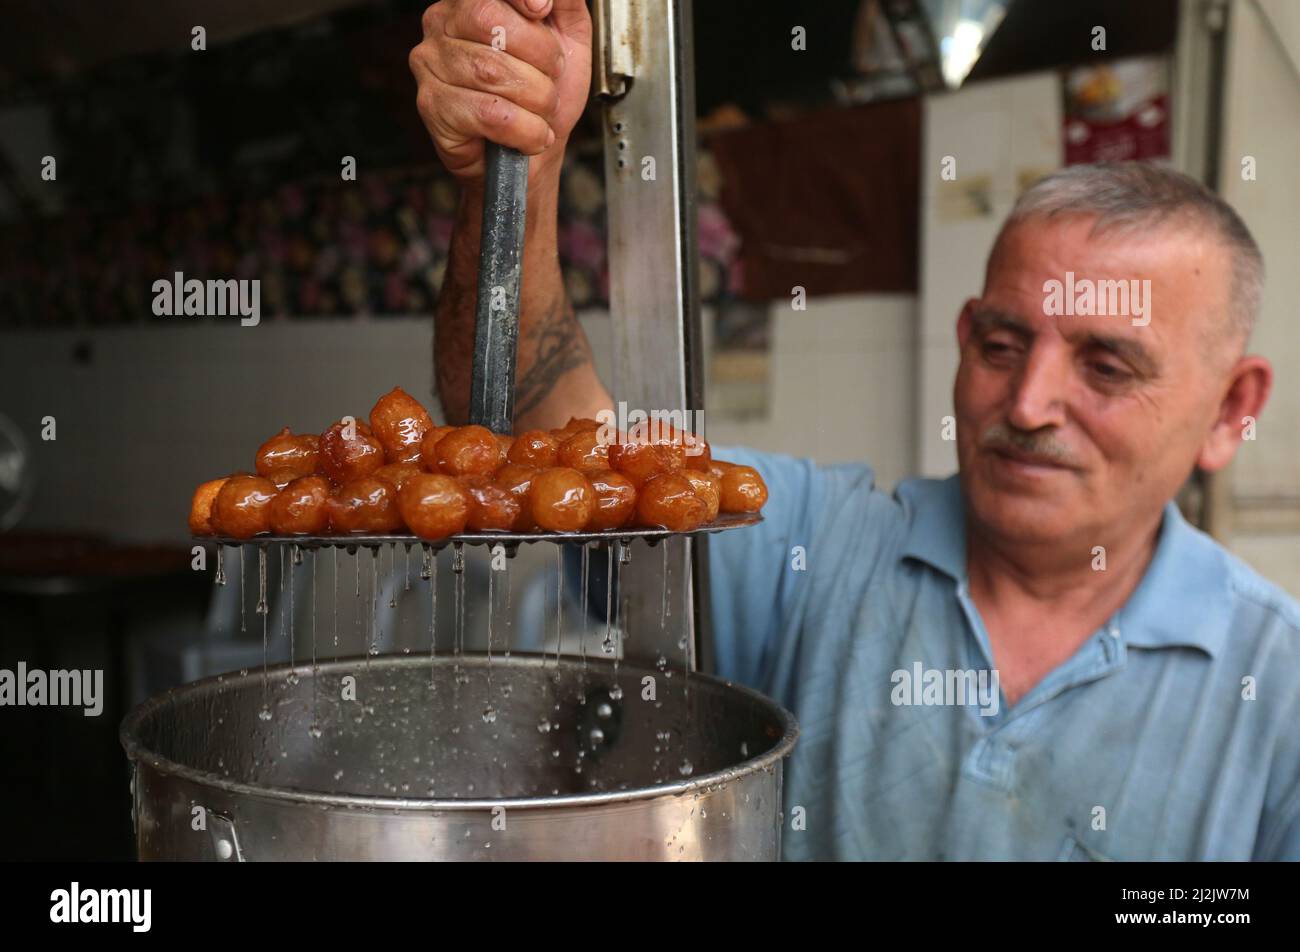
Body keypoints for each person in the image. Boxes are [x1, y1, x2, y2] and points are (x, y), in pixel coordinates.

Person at [409, 0, 1300, 859]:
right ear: (964, 337)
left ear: (1231, 410)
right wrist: (517, 167)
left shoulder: (1281, 688)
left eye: (1105, 367)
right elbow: (536, 434)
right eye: (1001, 344)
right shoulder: (810, 550)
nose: (1027, 405)